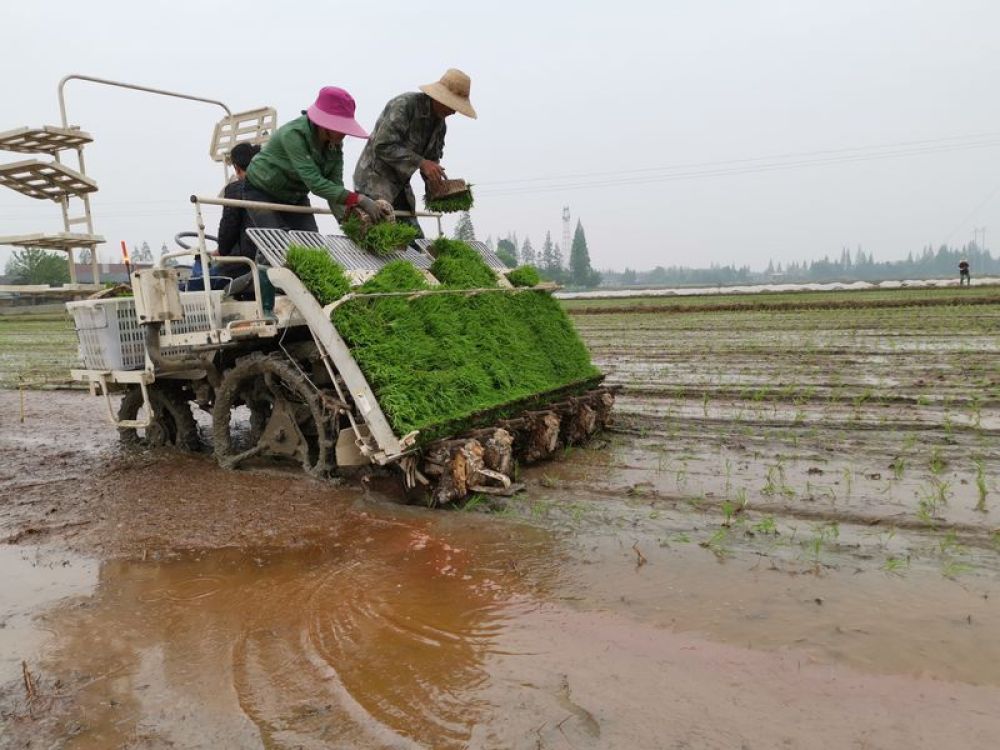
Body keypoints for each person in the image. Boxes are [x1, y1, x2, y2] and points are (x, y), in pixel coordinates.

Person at [244, 86, 388, 231]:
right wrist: (359, 199)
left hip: (295, 195)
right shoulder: (293, 135)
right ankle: (265, 252)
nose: (344, 133)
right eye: (340, 126)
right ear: (324, 123)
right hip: (262, 190)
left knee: (312, 242)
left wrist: (346, 222)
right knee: (274, 241)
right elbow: (315, 183)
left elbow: (334, 185)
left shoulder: (335, 146)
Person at [353, 68, 477, 237]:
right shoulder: (405, 105)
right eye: (452, 105)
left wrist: (434, 182)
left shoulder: (440, 126)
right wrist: (421, 163)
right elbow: (383, 145)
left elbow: (431, 161)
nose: (454, 111)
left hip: (401, 188)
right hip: (374, 182)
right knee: (381, 239)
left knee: (414, 240)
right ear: (440, 97)